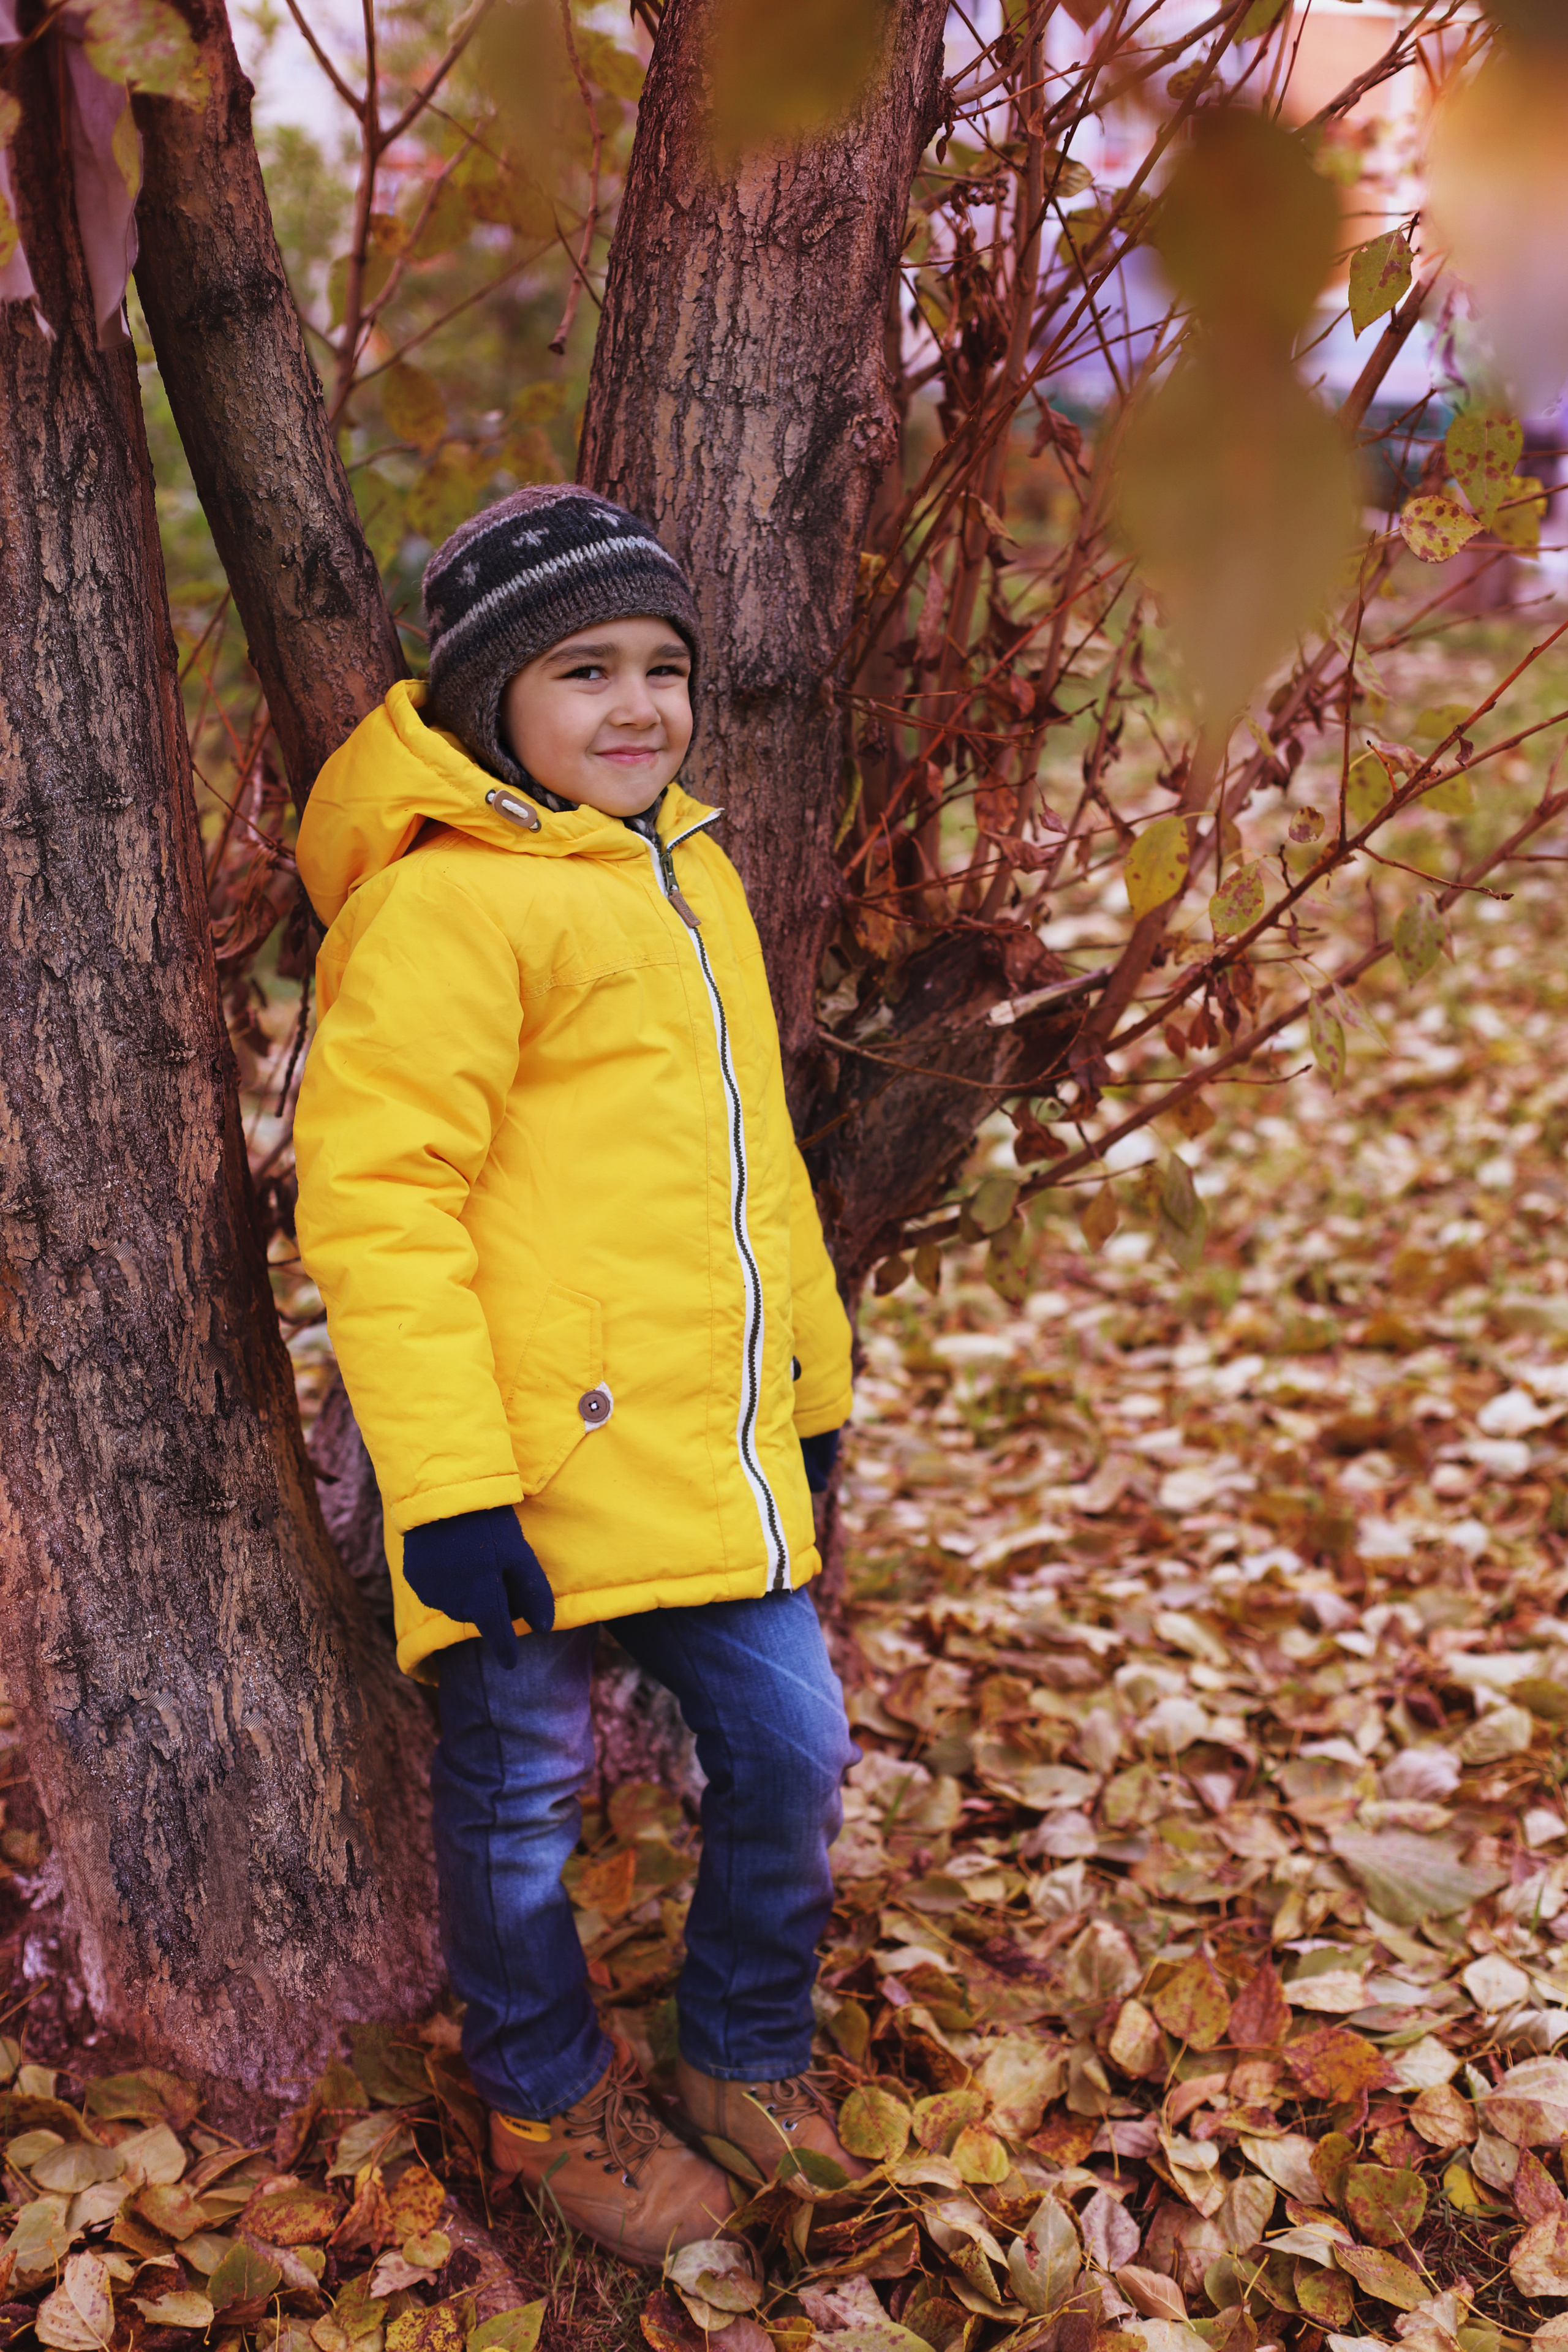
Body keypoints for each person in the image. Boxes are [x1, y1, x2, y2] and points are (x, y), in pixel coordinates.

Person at [292, 484, 865, 2266]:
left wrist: (811, 1400)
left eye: (665, 668)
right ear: (485, 703)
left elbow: (756, 1170)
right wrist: (452, 1491)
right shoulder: (447, 912)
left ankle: (744, 2051)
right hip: (522, 1479)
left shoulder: (692, 874)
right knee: (520, 1799)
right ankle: (544, 2098)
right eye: (584, 670)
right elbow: (383, 1209)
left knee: (792, 1746)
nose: (639, 707)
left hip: (707, 1450)